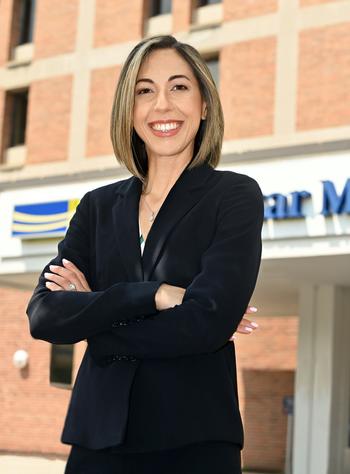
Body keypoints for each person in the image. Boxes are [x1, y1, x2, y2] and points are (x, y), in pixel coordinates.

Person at [26, 35, 264, 474]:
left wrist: (94, 322)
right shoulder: (97, 207)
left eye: (179, 87)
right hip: (97, 443)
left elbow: (206, 324)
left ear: (205, 104)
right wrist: (151, 295)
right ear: (129, 110)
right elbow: (44, 317)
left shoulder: (234, 196)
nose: (162, 105)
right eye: (144, 90)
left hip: (193, 442)